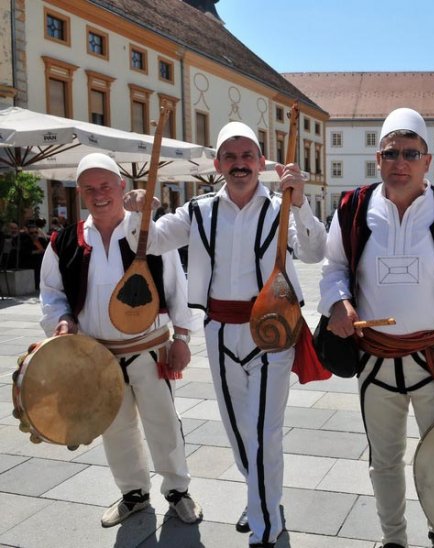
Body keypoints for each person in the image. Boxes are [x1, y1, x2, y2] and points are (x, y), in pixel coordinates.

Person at [123, 121, 327, 547]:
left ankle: (265, 529)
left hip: (273, 333)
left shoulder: (281, 209)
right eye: (230, 157)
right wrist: (138, 211)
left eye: (246, 156)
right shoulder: (198, 211)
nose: (239, 165)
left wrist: (302, 201)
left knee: (263, 429)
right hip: (218, 331)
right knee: (237, 430)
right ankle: (263, 496)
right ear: (218, 164)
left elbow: (314, 251)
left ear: (261, 163)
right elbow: (153, 242)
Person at [319, 107, 434, 548]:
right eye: (391, 153)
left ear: (427, 162)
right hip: (375, 359)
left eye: (410, 153)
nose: (399, 162)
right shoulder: (355, 208)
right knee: (383, 461)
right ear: (378, 159)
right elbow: (333, 269)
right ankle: (393, 539)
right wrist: (339, 302)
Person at [38, 153, 203, 529]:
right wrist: (61, 319)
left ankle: (177, 490)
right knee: (114, 427)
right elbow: (51, 292)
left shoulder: (148, 232)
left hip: (150, 348)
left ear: (122, 187)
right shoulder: (65, 240)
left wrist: (183, 336)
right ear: (80, 193)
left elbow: (178, 286)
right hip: (98, 355)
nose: (99, 195)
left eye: (106, 186)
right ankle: (133, 493)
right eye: (90, 189)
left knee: (162, 422)